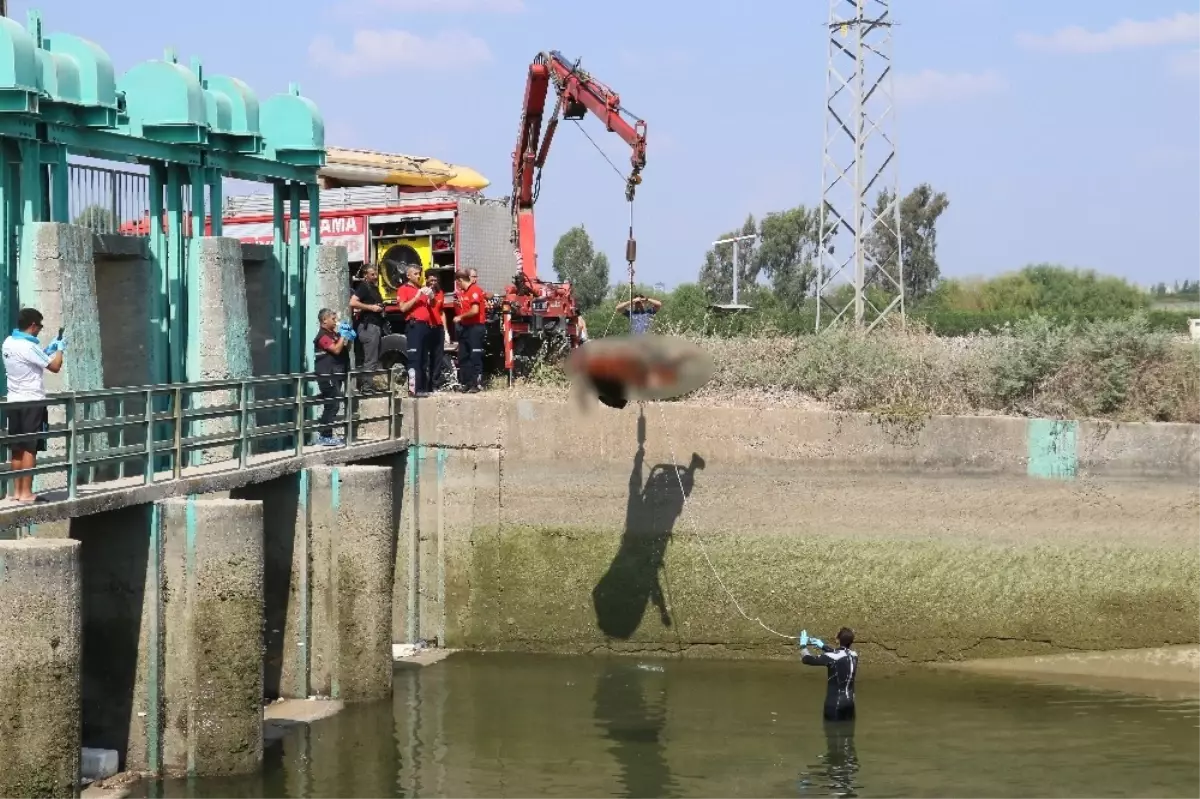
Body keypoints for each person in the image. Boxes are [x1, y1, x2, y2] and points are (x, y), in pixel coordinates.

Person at [3, 308, 65, 502]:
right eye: (39, 327)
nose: (39, 330)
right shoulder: (29, 347)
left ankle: (16, 493)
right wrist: (60, 349)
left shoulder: (8, 342)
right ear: (32, 326)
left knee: (17, 448)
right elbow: (54, 367)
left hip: (14, 401)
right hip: (32, 402)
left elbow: (29, 361)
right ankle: (27, 493)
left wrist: (47, 351)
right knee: (30, 447)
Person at [800, 627, 859, 722]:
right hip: (849, 705)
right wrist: (823, 647)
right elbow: (840, 655)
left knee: (832, 734)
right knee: (848, 734)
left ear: (837, 639)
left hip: (834, 704)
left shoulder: (831, 657)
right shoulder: (854, 655)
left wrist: (803, 645)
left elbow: (807, 659)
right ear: (851, 641)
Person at [313, 308, 351, 446]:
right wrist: (342, 335)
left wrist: (348, 336)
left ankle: (326, 435)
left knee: (333, 404)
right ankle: (324, 436)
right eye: (333, 319)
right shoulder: (322, 336)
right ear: (324, 320)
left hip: (336, 373)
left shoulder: (332, 334)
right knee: (332, 404)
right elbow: (335, 349)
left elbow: (343, 348)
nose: (336, 322)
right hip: (326, 374)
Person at [395, 264, 435, 396]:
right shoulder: (403, 289)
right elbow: (403, 308)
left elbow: (431, 307)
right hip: (414, 325)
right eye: (416, 274)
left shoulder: (421, 289)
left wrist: (431, 297)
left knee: (424, 358)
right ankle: (413, 389)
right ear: (408, 275)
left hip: (425, 326)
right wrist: (417, 296)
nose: (419, 276)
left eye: (419, 273)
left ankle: (423, 388)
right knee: (414, 357)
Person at [349, 263, 387, 392]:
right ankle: (366, 386)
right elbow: (353, 302)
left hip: (375, 325)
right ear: (365, 275)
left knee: (373, 358)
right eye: (372, 274)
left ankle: (369, 384)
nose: (375, 276)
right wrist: (372, 307)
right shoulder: (364, 287)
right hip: (368, 327)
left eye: (376, 274)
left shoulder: (373, 287)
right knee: (370, 358)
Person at [453, 268, 487, 393]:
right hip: (465, 327)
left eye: (458, 283)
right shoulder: (464, 292)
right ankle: (466, 383)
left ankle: (476, 384)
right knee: (463, 356)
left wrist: (460, 317)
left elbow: (475, 311)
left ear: (461, 280)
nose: (458, 285)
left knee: (475, 356)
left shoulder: (474, 290)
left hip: (475, 327)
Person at [425, 272, 451, 391]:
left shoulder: (440, 293)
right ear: (426, 280)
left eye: (435, 280)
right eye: (431, 280)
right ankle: (425, 384)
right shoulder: (422, 292)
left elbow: (441, 312)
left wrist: (446, 330)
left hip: (438, 327)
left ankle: (434, 384)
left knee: (438, 357)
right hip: (426, 327)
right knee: (426, 357)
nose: (433, 283)